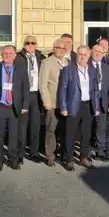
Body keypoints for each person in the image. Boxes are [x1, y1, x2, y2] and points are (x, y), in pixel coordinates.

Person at [0, 45, 29, 172]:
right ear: (2, 55)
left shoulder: (21, 69)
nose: (7, 55)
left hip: (14, 107)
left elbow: (26, 89)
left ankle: (13, 160)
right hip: (0, 106)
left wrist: (25, 106)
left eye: (10, 53)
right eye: (5, 53)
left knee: (13, 136)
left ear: (14, 56)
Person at [58, 46, 98, 171]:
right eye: (80, 54)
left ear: (89, 55)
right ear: (77, 55)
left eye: (85, 54)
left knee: (86, 134)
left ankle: (84, 157)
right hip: (73, 105)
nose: (82, 56)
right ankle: (69, 159)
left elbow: (95, 89)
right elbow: (62, 89)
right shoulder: (68, 69)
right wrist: (63, 107)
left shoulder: (92, 70)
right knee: (70, 134)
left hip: (88, 105)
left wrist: (96, 106)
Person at [14, 36, 45, 163]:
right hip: (23, 95)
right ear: (24, 44)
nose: (30, 45)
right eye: (27, 43)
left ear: (36, 45)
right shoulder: (18, 57)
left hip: (36, 95)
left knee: (35, 125)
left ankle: (33, 152)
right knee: (22, 126)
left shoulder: (41, 58)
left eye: (33, 43)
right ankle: (20, 153)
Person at [39, 39, 67, 167]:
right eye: (58, 47)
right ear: (53, 48)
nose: (61, 50)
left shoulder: (68, 62)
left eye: (63, 48)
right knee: (51, 129)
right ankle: (50, 155)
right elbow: (43, 84)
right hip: (53, 102)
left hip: (66, 103)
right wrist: (47, 101)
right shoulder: (47, 62)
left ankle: (63, 153)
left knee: (64, 129)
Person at [91, 45, 109, 161]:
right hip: (90, 101)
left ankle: (102, 150)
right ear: (92, 52)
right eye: (96, 51)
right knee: (91, 128)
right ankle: (93, 150)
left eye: (101, 52)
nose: (98, 54)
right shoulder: (87, 65)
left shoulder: (106, 68)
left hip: (104, 101)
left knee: (102, 127)